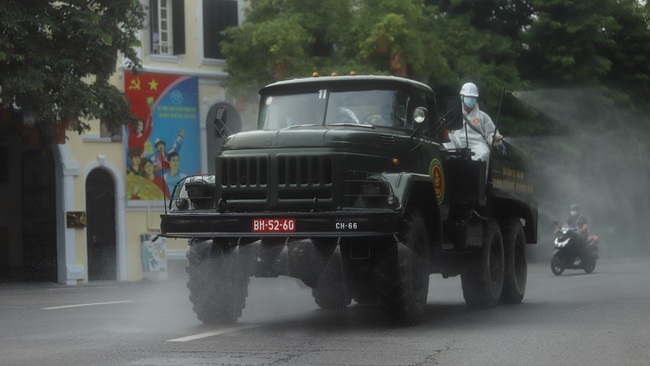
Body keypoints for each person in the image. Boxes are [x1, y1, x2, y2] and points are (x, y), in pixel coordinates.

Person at [446, 82, 504, 161]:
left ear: (476, 98)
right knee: (448, 138)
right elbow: (446, 131)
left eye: (473, 97)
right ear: (462, 97)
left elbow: (490, 135)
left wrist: (495, 138)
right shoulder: (453, 114)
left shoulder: (483, 116)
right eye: (468, 97)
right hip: (458, 144)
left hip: (477, 145)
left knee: (484, 152)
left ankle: (476, 171)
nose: (471, 99)